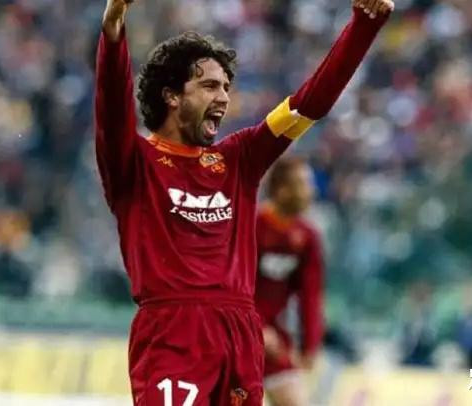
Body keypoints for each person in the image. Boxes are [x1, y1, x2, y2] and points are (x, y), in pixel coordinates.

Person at [95, 0, 394, 404]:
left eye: (226, 87)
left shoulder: (239, 159)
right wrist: (114, 28)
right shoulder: (134, 163)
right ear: (171, 96)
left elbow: (308, 105)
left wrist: (364, 25)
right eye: (209, 86)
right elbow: (112, 109)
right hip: (173, 332)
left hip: (239, 335)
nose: (223, 97)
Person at [255, 157, 324, 406]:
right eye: (303, 184)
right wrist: (256, 326)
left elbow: (311, 294)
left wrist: (310, 345)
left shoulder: (307, 236)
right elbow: (231, 285)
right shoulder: (253, 226)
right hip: (237, 334)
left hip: (275, 342)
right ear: (281, 190)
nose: (311, 191)